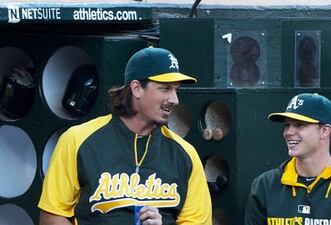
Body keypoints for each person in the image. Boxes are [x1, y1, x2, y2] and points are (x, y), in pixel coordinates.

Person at [38, 47, 212, 225]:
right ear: (137, 88)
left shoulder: (185, 154)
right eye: (165, 88)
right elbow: (52, 215)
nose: (174, 99)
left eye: (176, 90)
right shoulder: (78, 139)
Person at [245, 93, 331, 225]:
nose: (289, 132)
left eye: (299, 125)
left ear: (325, 131)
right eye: (287, 125)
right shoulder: (265, 185)